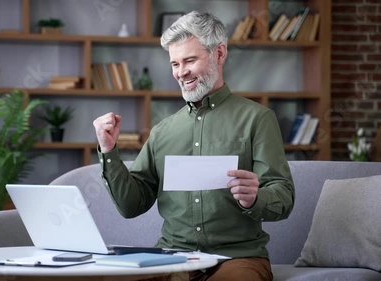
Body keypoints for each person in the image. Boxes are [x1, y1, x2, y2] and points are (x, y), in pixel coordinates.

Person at [93, 11, 295, 281]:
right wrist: (109, 151)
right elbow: (132, 205)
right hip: (171, 257)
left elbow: (283, 196)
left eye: (189, 60)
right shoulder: (163, 131)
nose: (181, 72)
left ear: (220, 54)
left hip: (238, 258)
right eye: (175, 63)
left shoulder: (257, 119)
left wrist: (255, 198)